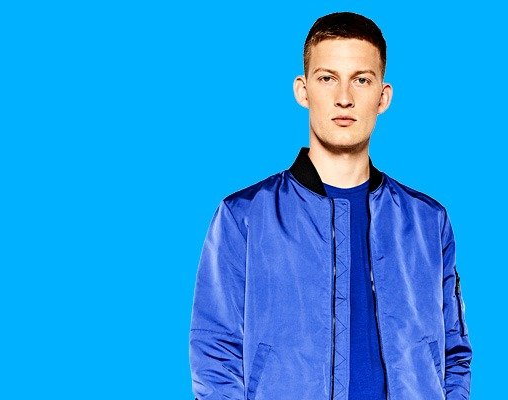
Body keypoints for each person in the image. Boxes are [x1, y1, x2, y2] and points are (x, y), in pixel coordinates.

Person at [189, 11, 472, 400]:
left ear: (383, 96)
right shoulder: (244, 217)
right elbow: (214, 353)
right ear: (303, 90)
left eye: (361, 79)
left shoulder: (427, 221)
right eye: (327, 78)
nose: (344, 97)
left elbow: (454, 352)